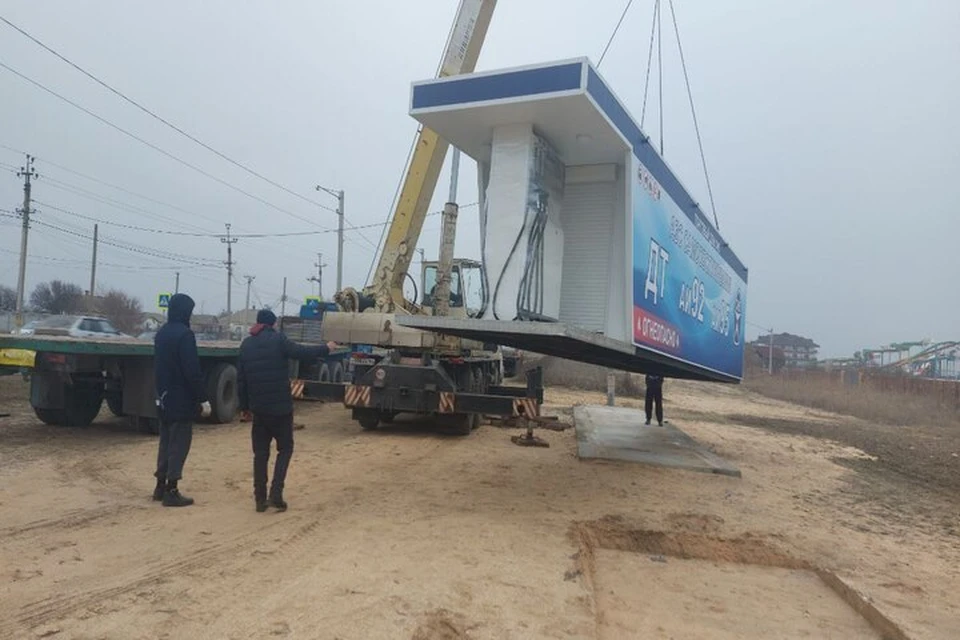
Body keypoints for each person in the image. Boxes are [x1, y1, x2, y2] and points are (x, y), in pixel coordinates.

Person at [237, 309, 337, 512]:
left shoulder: (246, 345)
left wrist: (245, 408)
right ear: (273, 324)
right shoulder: (279, 340)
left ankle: (259, 499)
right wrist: (326, 348)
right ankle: (276, 494)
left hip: (259, 410)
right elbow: (302, 352)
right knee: (285, 449)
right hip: (281, 409)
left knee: (261, 454)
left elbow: (241, 380)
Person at [153, 293, 211, 507]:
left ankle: (159, 486)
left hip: (164, 397)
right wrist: (203, 398)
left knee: (165, 442)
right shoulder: (185, 335)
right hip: (181, 399)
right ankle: (172, 490)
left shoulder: (162, 334)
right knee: (179, 444)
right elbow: (192, 371)